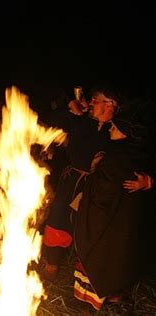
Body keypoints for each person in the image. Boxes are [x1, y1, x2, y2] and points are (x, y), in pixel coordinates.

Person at [41, 85, 152, 280]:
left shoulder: (121, 129)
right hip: (72, 181)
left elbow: (140, 154)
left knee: (91, 231)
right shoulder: (81, 120)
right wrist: (69, 109)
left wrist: (148, 181)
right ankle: (52, 263)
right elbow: (46, 123)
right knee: (58, 220)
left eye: (95, 99)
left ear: (110, 105)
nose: (90, 103)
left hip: (100, 189)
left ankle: (90, 275)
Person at [72, 113, 153, 310]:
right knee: (115, 254)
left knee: (99, 253)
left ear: (126, 133)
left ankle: (92, 299)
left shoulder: (117, 157)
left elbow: (103, 189)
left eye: (114, 128)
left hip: (108, 220)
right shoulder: (134, 153)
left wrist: (93, 171)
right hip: (121, 220)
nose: (110, 129)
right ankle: (113, 292)